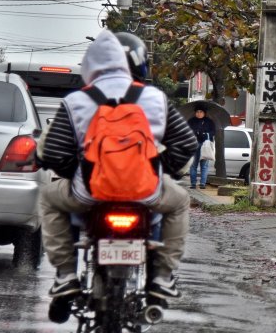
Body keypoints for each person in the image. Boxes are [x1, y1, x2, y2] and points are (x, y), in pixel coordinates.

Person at [37, 30, 198, 317]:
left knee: (50, 198)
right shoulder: (155, 98)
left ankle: (65, 276)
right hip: (147, 193)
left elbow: (54, 154)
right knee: (180, 201)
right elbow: (186, 144)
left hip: (89, 193)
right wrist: (162, 170)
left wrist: (77, 173)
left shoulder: (75, 101)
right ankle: (161, 277)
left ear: (90, 66)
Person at [188, 106, 215, 189]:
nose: (199, 113)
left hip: (205, 145)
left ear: (204, 113)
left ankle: (202, 183)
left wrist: (205, 134)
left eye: (201, 112)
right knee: (193, 165)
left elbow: (213, 132)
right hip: (194, 144)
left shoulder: (209, 121)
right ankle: (193, 183)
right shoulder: (191, 121)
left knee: (204, 166)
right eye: (197, 112)